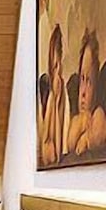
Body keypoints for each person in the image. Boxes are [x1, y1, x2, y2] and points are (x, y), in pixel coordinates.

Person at [67, 29, 106, 156]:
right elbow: (71, 143)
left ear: (96, 87)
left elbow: (98, 136)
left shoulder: (98, 115)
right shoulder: (77, 119)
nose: (83, 92)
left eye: (89, 82)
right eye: (82, 79)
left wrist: (86, 139)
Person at [39, 25, 65, 166]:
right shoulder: (50, 96)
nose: (58, 71)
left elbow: (57, 153)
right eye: (55, 66)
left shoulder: (61, 90)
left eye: (59, 65)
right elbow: (47, 141)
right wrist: (53, 99)